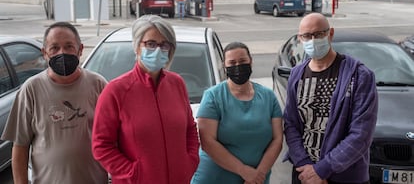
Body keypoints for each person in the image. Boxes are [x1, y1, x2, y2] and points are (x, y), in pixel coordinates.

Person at [92, 14, 199, 184]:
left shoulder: (177, 84)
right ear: (137, 46)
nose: (157, 50)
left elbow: (190, 130)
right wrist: (134, 173)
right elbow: (101, 146)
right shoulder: (116, 91)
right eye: (150, 43)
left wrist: (189, 162)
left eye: (164, 45)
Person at [1, 21, 108, 184]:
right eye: (54, 48)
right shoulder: (31, 89)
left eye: (69, 46)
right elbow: (20, 147)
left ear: (80, 50)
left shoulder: (98, 85)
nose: (62, 53)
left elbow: (116, 137)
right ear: (44, 53)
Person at [283, 13, 378, 184]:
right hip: (304, 175)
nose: (312, 40)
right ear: (300, 38)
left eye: (319, 34)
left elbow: (361, 134)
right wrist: (305, 166)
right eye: (307, 36)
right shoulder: (296, 75)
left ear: (330, 34)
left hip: (344, 176)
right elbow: (291, 124)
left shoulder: (359, 75)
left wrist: (321, 170)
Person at [191, 41, 283, 184]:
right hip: (214, 178)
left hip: (257, 179)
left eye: (242, 61)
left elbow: (277, 139)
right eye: (232, 63)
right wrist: (244, 171)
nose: (238, 66)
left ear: (251, 61)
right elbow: (207, 142)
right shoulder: (213, 96)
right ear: (224, 66)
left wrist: (259, 174)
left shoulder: (268, 96)